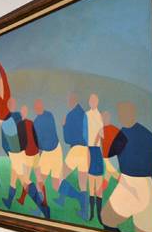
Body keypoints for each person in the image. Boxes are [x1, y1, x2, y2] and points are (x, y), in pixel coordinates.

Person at [101, 101, 152, 232]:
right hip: (147, 188)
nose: (121, 116)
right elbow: (109, 152)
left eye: (124, 113)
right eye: (120, 113)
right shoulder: (144, 134)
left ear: (132, 114)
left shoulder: (138, 135)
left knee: (107, 218)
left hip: (133, 184)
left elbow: (108, 153)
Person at [57, 92, 91, 220]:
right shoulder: (84, 114)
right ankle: (84, 212)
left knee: (60, 177)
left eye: (69, 100)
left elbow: (67, 139)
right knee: (83, 183)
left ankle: (75, 197)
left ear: (72, 100)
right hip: (85, 150)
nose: (68, 102)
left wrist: (64, 126)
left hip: (76, 150)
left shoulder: (70, 115)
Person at [32, 99, 63, 214]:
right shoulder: (36, 122)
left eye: (39, 106)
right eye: (36, 107)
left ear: (42, 106)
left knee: (56, 185)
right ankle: (40, 208)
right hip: (46, 153)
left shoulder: (49, 116)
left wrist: (39, 148)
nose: (38, 108)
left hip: (55, 151)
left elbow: (47, 136)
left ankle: (79, 197)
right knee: (39, 181)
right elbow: (38, 141)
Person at [86, 94, 105, 222]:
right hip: (89, 150)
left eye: (95, 100)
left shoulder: (100, 116)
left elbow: (102, 136)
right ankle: (92, 214)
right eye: (91, 100)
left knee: (98, 187)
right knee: (91, 185)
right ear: (89, 102)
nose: (92, 102)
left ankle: (99, 215)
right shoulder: (86, 115)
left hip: (97, 151)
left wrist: (98, 139)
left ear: (97, 102)